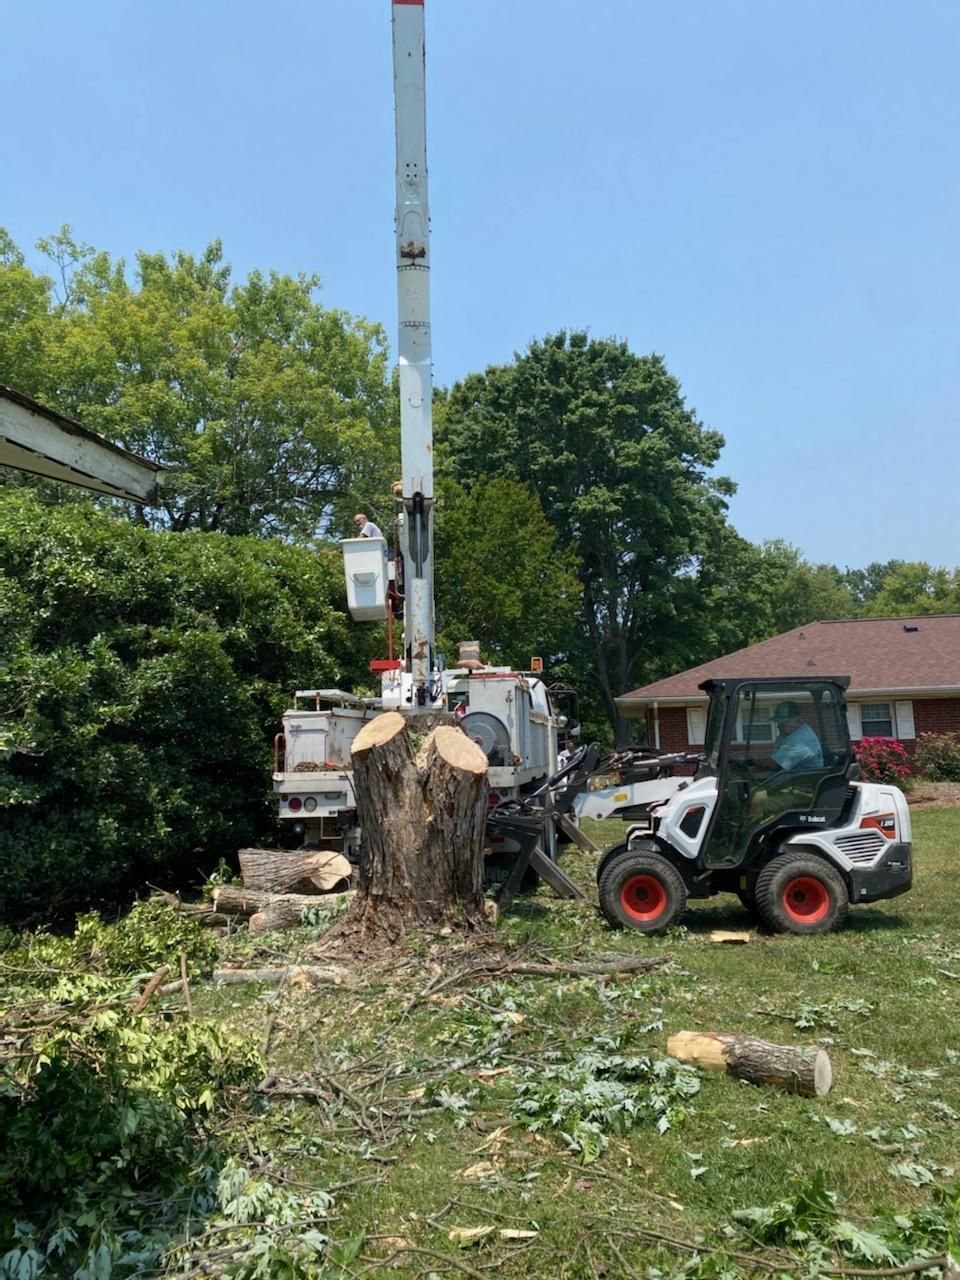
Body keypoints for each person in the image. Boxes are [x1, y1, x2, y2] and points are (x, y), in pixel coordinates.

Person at [770, 701, 823, 772]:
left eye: (784, 722)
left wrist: (753, 762)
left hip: (806, 780)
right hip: (790, 777)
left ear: (799, 720)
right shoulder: (787, 734)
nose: (779, 726)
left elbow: (774, 765)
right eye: (778, 722)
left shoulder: (801, 741)